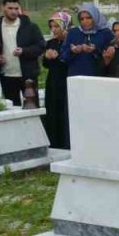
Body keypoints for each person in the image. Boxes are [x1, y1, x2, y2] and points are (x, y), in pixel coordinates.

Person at [0, 0, 45, 105]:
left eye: (16, 9)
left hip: (28, 75)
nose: (14, 12)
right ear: (3, 8)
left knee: (33, 107)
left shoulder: (30, 27)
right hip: (7, 76)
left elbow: (41, 46)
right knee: (12, 109)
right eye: (10, 8)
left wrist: (24, 51)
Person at [41, 12, 71, 148]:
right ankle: (54, 143)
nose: (54, 29)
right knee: (53, 110)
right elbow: (45, 65)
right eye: (52, 26)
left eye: (57, 26)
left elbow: (70, 61)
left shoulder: (72, 41)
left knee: (65, 111)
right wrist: (47, 57)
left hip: (66, 80)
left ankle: (66, 143)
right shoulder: (51, 42)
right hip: (53, 81)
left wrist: (58, 57)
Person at [61, 3, 111, 78]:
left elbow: (110, 56)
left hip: (97, 76)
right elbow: (63, 56)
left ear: (95, 16)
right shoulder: (73, 33)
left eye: (88, 18)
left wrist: (95, 50)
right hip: (76, 76)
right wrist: (73, 51)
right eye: (82, 19)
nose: (85, 21)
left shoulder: (105, 33)